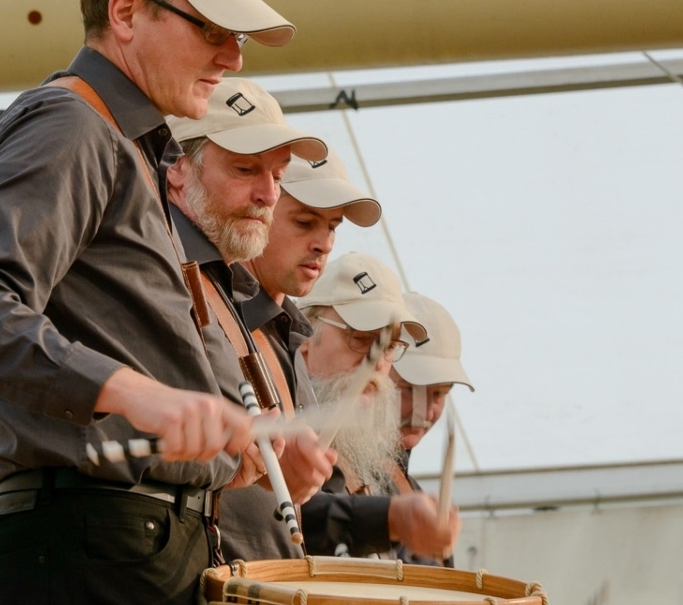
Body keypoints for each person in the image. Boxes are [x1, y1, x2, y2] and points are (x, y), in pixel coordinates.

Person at [0, 0, 293, 604]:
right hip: (94, 541)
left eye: (237, 37)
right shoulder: (72, 125)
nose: (233, 59)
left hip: (125, 539)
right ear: (125, 12)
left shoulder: (127, 146)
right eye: (212, 29)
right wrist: (137, 394)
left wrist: (217, 453)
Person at [164, 78, 336, 561]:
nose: (268, 194)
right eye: (245, 169)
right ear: (177, 167)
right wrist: (236, 456)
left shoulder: (223, 285)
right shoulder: (153, 265)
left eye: (278, 176)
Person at [220, 148, 383, 560]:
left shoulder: (288, 338)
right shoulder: (214, 321)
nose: (324, 244)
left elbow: (301, 508)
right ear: (262, 209)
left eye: (333, 227)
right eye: (305, 222)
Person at [296, 253, 461, 561]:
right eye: (360, 339)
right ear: (305, 332)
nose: (376, 364)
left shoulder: (371, 461)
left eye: (390, 346)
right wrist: (390, 518)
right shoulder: (273, 425)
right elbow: (285, 522)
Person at [390, 291, 475, 566]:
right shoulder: (332, 476)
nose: (424, 413)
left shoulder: (415, 493)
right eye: (409, 389)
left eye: (438, 394)